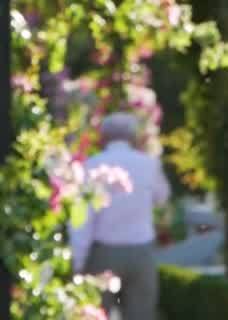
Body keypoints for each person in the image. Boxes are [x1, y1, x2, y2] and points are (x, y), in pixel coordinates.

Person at [71, 113, 172, 320]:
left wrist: (78, 263)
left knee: (95, 314)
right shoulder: (149, 164)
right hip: (141, 250)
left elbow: (82, 221)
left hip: (103, 252)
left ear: (104, 137)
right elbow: (162, 197)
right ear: (133, 137)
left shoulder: (91, 165)